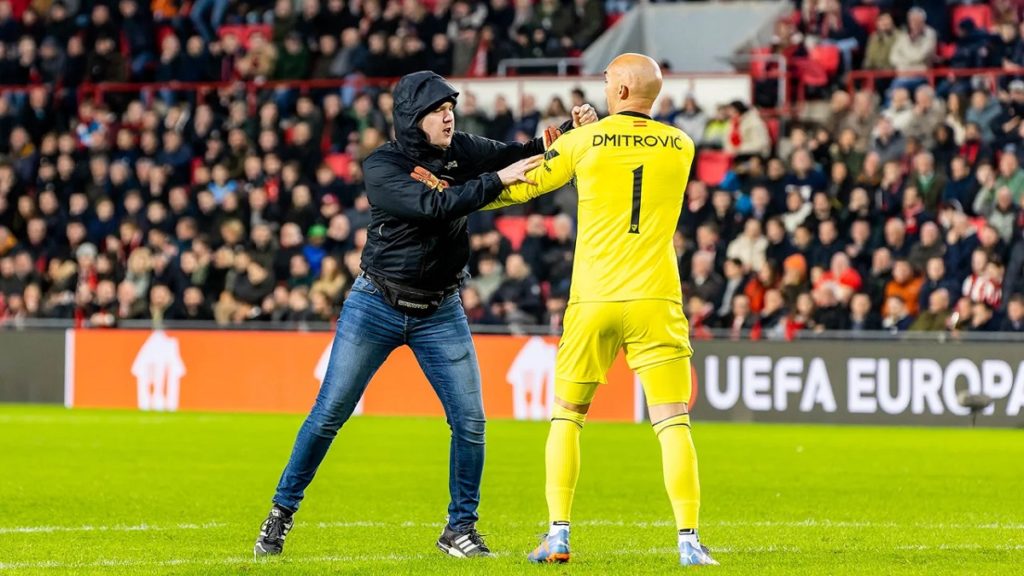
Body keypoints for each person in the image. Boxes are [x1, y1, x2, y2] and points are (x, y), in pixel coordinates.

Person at [252, 70, 597, 558]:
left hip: (440, 309)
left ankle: (460, 529)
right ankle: (281, 512)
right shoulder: (382, 165)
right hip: (376, 303)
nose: (449, 117)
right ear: (414, 119)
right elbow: (434, 205)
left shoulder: (462, 148)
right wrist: (495, 181)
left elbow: (518, 152)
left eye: (450, 108)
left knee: (470, 423)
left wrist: (569, 130)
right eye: (438, 110)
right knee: (329, 414)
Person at [485, 53, 718, 566]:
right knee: (673, 422)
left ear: (620, 90)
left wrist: (465, 198)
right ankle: (688, 541)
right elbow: (630, 153)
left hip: (594, 298)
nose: (605, 86)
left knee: (567, 416)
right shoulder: (682, 144)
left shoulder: (584, 142)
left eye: (608, 80)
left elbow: (525, 183)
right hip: (656, 298)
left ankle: (558, 534)